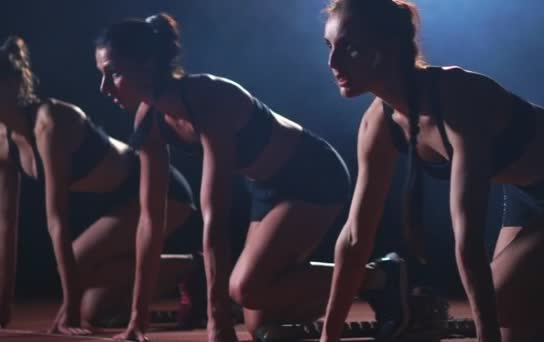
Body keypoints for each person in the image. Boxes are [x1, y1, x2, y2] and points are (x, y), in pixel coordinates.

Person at [321, 0, 544, 341]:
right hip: (523, 193)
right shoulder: (377, 124)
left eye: (349, 47)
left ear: (389, 45)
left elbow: (467, 240)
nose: (332, 62)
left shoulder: (458, 99)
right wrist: (330, 336)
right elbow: (355, 237)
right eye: (330, 46)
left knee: (499, 303)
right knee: (515, 320)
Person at [94, 13, 354, 342]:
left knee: (244, 288)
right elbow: (149, 221)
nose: (104, 87)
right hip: (265, 188)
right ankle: (321, 289)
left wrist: (218, 320)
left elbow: (214, 217)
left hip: (312, 175)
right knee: (257, 317)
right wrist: (137, 321)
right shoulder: (149, 121)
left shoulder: (208, 98)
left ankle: (380, 278)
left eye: (113, 73)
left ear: (146, 64)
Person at [0, 36, 199, 340]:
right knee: (92, 310)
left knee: (75, 270)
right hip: (117, 205)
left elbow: (57, 219)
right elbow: (5, 223)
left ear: (13, 83)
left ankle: (195, 269)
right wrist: (3, 301)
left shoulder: (50, 122)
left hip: (158, 189)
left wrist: (69, 304)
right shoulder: (3, 142)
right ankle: (181, 272)